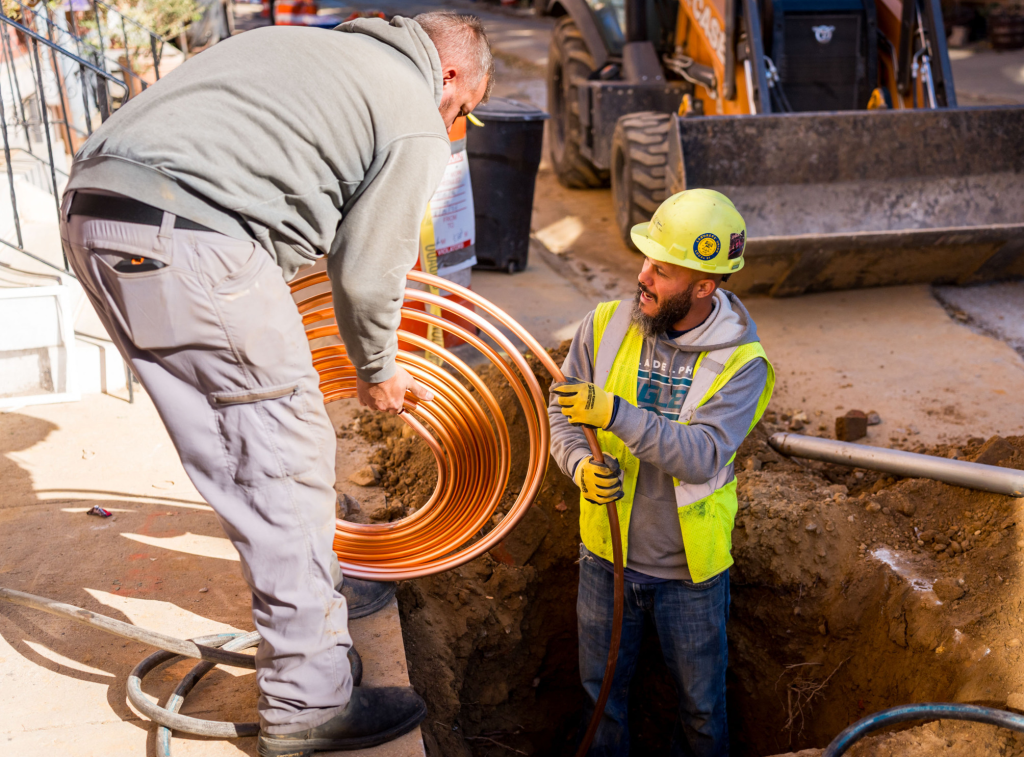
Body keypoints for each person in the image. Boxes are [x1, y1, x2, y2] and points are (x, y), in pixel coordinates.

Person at [59, 11, 492, 756]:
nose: (454, 125)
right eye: (464, 108)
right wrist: (379, 372)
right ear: (449, 75)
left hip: (96, 218)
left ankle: (313, 646)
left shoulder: (312, 53)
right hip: (190, 234)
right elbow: (369, 271)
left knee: (240, 457)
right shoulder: (412, 111)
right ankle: (309, 703)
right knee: (286, 461)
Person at [549, 189, 776, 757]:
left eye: (664, 271)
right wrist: (577, 463)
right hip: (607, 558)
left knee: (701, 712)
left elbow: (702, 454)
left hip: (689, 576)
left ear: (706, 286)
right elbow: (562, 411)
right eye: (647, 260)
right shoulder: (603, 325)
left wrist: (618, 415)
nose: (644, 276)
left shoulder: (741, 364)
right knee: (599, 701)